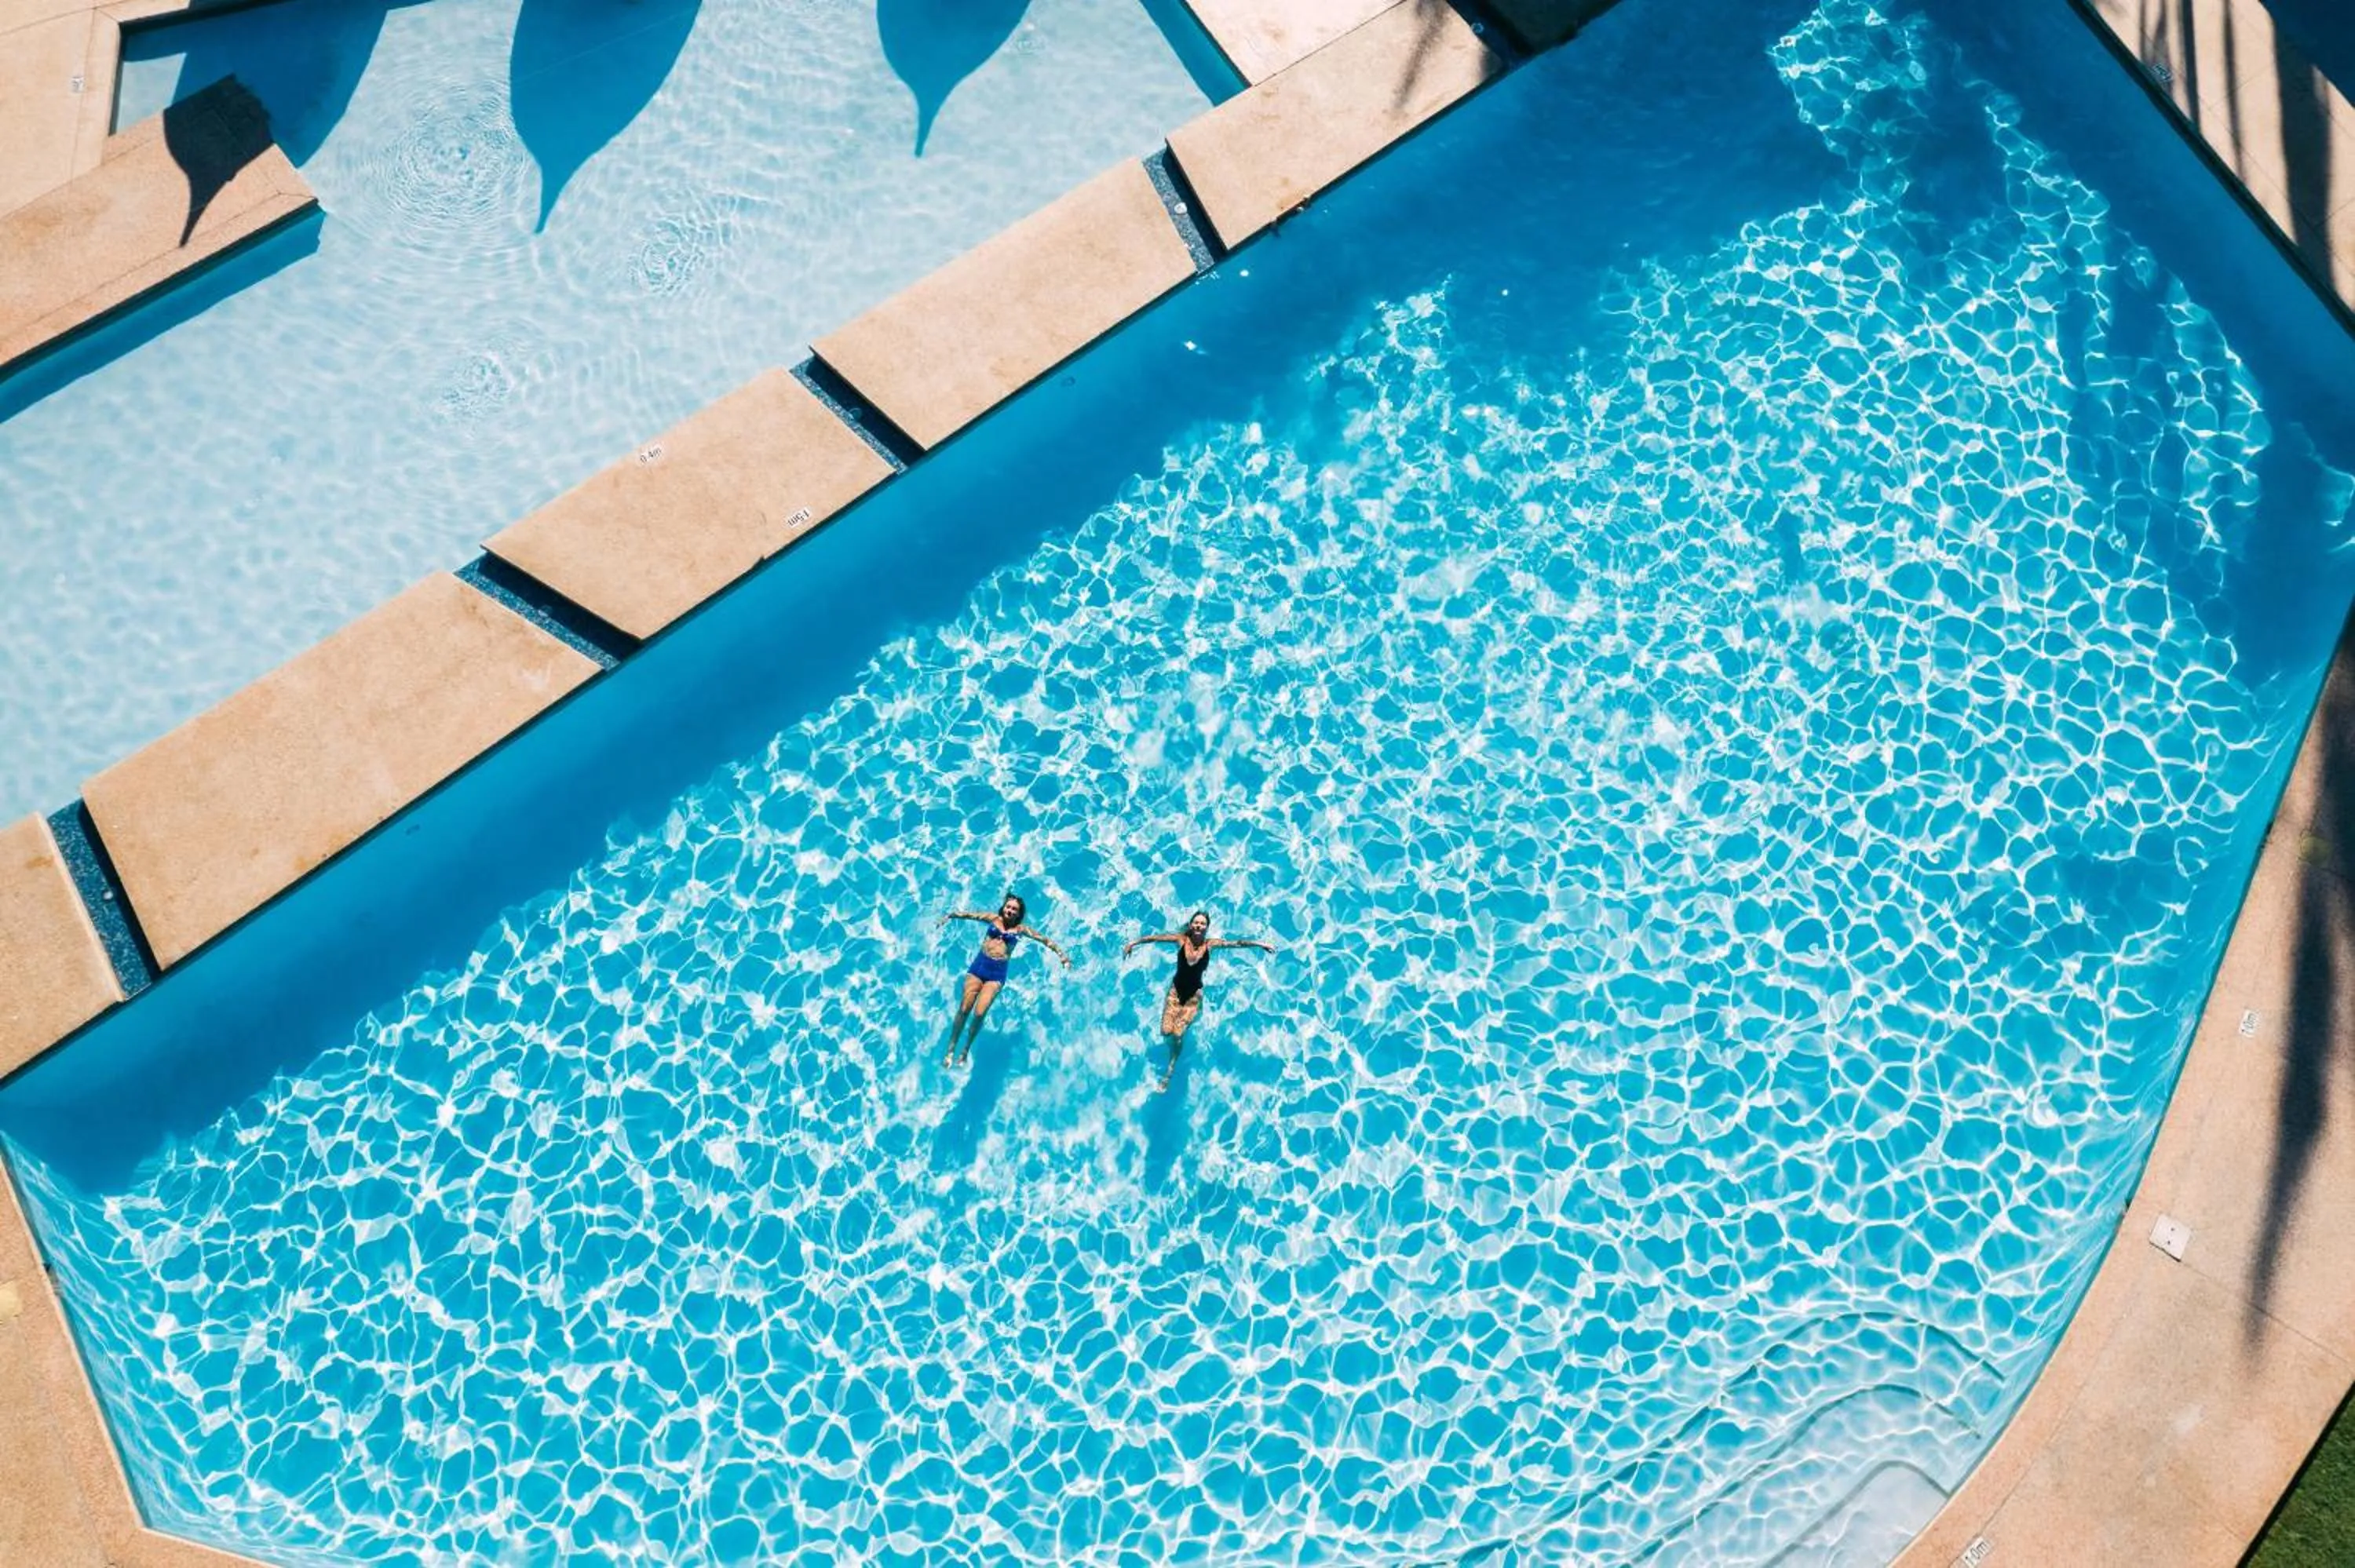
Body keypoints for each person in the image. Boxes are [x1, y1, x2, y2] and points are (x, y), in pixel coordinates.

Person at [1122, 910, 1273, 1090]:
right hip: (1175, 993)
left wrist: (1260, 944)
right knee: (1165, 1031)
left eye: (1202, 923)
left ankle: (1170, 1069)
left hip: (1193, 996)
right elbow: (1156, 938)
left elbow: (1237, 943)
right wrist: (1133, 942)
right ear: (1191, 925)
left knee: (1178, 1034)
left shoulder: (1210, 945)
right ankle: (1175, 1041)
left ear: (1207, 927)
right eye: (1196, 923)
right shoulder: (1181, 940)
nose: (1199, 926)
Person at [941, 893, 1070, 1065]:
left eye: (1014, 909)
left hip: (997, 974)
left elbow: (1044, 940)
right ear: (1004, 907)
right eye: (1008, 907)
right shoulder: (993, 919)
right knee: (965, 1008)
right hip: (979, 967)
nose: (1010, 910)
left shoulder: (1021, 930)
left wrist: (1062, 956)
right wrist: (949, 916)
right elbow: (970, 915)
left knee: (979, 1013)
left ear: (1019, 914)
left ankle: (965, 1049)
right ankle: (951, 1048)